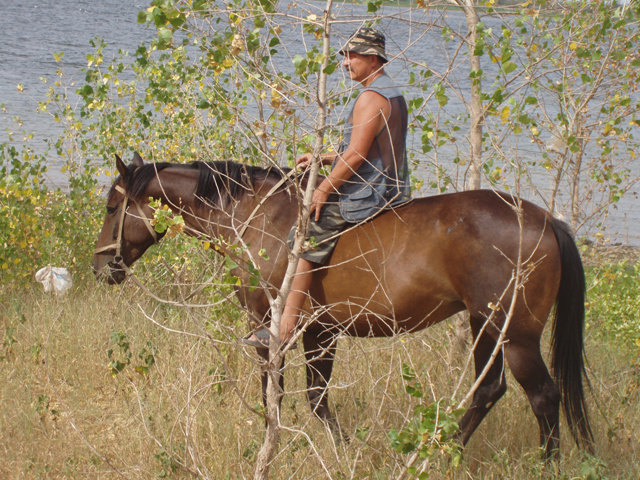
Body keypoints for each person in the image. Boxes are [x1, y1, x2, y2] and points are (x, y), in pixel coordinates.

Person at [243, 26, 410, 348]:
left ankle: (285, 328)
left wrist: (324, 189)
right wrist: (324, 157)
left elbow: (359, 154)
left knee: (305, 231)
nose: (346, 63)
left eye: (353, 56)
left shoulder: (370, 98)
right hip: (392, 185)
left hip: (370, 190)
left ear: (373, 59)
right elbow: (368, 147)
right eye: (344, 56)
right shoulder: (392, 92)